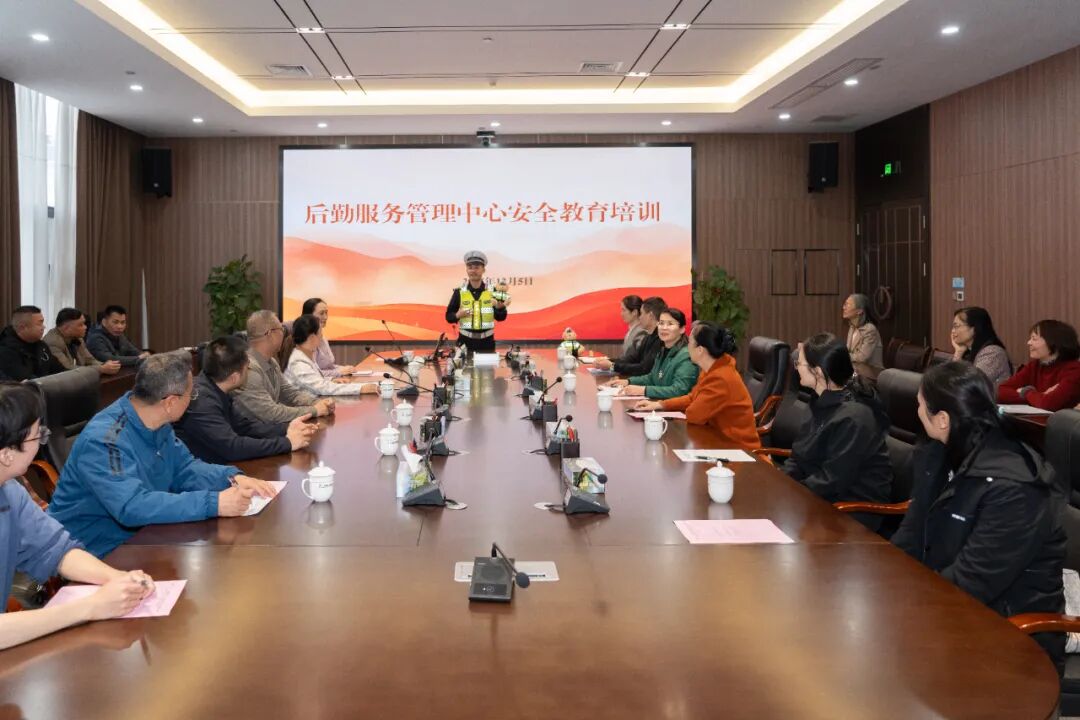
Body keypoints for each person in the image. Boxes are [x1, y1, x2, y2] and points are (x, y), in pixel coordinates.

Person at [893, 362, 1066, 672]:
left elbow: (972, 582)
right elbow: (913, 532)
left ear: (942, 420)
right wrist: (885, 583)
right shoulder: (939, 453)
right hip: (950, 612)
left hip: (1010, 641)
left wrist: (907, 607)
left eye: (919, 405)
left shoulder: (1014, 488)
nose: (916, 413)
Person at [46, 354, 278, 558]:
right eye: (191, 394)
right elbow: (132, 506)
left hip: (143, 538)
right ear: (171, 402)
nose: (193, 398)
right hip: (94, 552)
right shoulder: (105, 441)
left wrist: (232, 477)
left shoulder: (157, 423)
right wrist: (214, 503)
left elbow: (185, 468)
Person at [0, 383, 157, 649]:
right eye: (37, 436)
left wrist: (117, 578)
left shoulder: (9, 491)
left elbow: (55, 549)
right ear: (6, 454)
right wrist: (90, 607)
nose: (41, 443)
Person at [781, 334, 892, 530]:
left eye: (800, 363)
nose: (796, 367)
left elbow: (832, 480)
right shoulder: (819, 401)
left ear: (817, 372)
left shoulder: (854, 418)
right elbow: (799, 456)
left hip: (851, 512)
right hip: (818, 498)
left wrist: (793, 495)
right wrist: (781, 483)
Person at [173, 335, 318, 464]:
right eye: (247, 367)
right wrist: (287, 443)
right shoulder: (201, 402)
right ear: (234, 378)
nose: (249, 370)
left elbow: (245, 427)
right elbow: (232, 447)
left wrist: (287, 428)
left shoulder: (217, 385)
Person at [633, 322, 760, 450]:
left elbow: (694, 415)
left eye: (689, 342)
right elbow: (693, 397)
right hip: (717, 440)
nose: (687, 347)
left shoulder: (720, 378)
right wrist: (660, 404)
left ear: (700, 350)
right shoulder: (712, 368)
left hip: (738, 449)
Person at [232, 310, 335, 424]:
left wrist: (316, 402)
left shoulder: (271, 361)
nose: (284, 334)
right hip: (255, 433)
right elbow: (271, 413)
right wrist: (314, 410)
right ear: (270, 333)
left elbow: (289, 393)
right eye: (281, 329)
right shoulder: (247, 368)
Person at [607, 308, 698, 399]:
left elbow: (679, 390)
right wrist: (628, 381)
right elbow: (652, 378)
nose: (664, 328)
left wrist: (644, 390)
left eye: (670, 324)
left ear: (682, 329)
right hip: (659, 403)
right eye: (661, 323)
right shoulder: (663, 350)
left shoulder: (686, 355)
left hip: (677, 407)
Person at [998, 319, 1080, 411]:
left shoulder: (1074, 370)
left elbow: (1049, 404)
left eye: (1034, 339)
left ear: (1053, 342)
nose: (1029, 343)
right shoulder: (1035, 365)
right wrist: (1040, 396)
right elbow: (1001, 392)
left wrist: (1026, 392)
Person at [284, 315, 376, 397]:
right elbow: (322, 388)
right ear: (312, 338)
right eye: (320, 332)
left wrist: (330, 380)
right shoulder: (298, 363)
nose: (322, 336)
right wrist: (360, 388)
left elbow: (314, 380)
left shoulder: (305, 354)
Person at [444, 250, 508, 354]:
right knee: (463, 365)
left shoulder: (493, 291)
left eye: (477, 267)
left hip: (487, 344)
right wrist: (457, 315)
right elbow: (448, 317)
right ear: (466, 270)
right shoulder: (459, 292)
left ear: (483, 270)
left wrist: (499, 308)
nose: (473, 270)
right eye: (470, 267)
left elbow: (501, 317)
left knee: (487, 365)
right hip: (464, 343)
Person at [594, 296, 666, 375]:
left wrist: (612, 366)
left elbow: (644, 368)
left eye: (641, 313)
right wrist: (608, 362)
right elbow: (632, 359)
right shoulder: (648, 337)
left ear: (650, 316)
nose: (640, 317)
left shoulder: (660, 338)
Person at [43, 308, 122, 375]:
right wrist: (101, 369)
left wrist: (106, 365)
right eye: (80, 325)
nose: (85, 327)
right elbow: (67, 369)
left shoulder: (78, 338)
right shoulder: (53, 342)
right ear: (66, 328)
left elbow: (90, 360)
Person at [0, 306, 68, 381]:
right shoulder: (5, 351)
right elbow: (27, 381)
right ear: (22, 328)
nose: (43, 327)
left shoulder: (42, 346)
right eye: (39, 324)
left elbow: (60, 370)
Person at [949, 306, 1011, 387]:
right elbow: (949, 380)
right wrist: (959, 352)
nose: (953, 331)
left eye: (956, 326)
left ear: (974, 328)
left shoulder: (993, 353)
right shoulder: (968, 351)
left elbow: (969, 385)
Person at [300, 298, 361, 378]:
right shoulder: (305, 341)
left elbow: (329, 367)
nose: (325, 317)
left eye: (326, 313)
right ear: (309, 316)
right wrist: (338, 372)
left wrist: (344, 368)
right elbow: (313, 373)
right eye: (321, 313)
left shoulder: (323, 338)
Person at [842, 293, 883, 368]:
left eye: (847, 305)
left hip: (872, 371)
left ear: (859, 311)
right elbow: (848, 351)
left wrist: (840, 355)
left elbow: (862, 358)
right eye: (844, 304)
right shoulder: (852, 327)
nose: (843, 307)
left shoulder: (870, 330)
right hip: (856, 369)